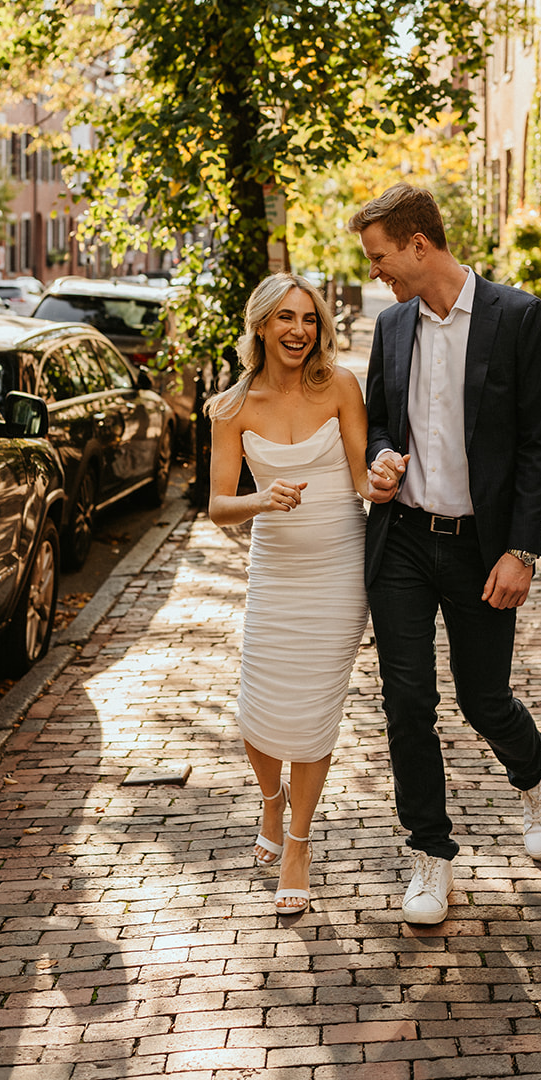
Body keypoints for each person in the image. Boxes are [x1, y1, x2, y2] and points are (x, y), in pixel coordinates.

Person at [348, 183, 541, 925]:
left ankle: (536, 767)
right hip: (403, 541)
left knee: (482, 700)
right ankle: (429, 858)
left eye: (381, 258)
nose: (376, 272)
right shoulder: (391, 325)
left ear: (418, 244)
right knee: (406, 701)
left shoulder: (519, 317)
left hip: (481, 548)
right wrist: (381, 458)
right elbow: (380, 421)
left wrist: (521, 550)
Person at [207, 272, 372, 917]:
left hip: (338, 566)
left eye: (308, 318)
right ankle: (270, 802)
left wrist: (385, 475)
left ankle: (298, 843)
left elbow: (363, 479)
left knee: (314, 709)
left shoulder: (341, 388)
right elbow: (219, 504)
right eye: (284, 318)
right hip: (275, 567)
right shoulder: (232, 407)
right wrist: (259, 498)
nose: (298, 330)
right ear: (261, 327)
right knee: (259, 702)